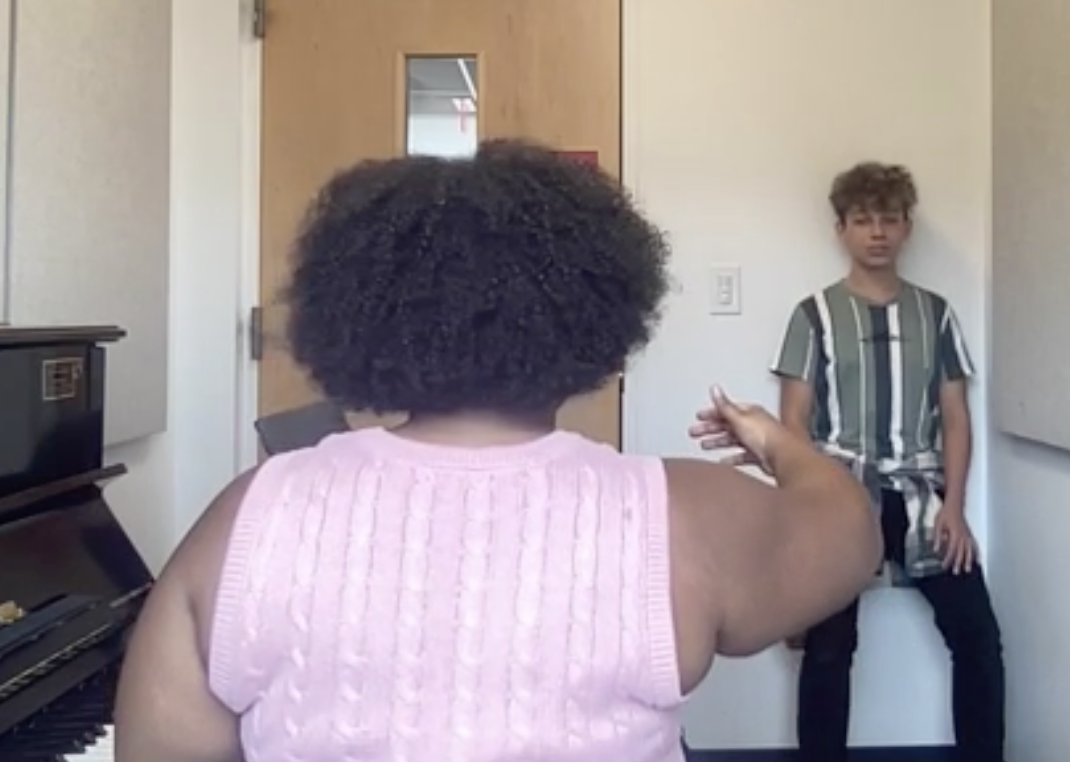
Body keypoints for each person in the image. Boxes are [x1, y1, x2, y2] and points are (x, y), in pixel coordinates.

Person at [113, 140, 882, 762]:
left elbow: (159, 747)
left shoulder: (250, 514)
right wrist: (779, 441)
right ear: (596, 313)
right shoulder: (677, 514)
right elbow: (849, 531)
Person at [772, 162, 1006, 762]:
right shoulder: (813, 315)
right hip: (839, 496)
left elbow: (955, 416)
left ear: (906, 227)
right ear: (841, 229)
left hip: (923, 495)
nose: (877, 232)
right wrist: (806, 511)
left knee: (978, 639)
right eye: (862, 220)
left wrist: (955, 508)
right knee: (829, 648)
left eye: (889, 219)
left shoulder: (936, 313)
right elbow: (793, 422)